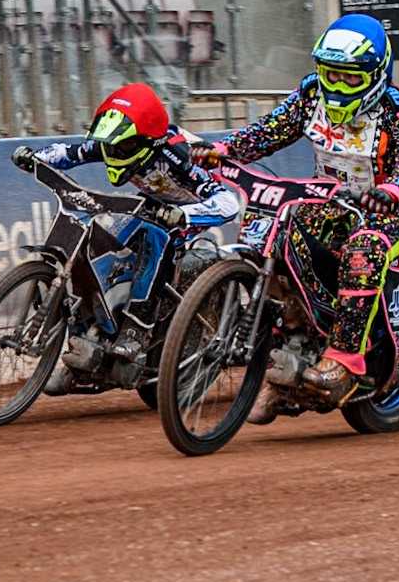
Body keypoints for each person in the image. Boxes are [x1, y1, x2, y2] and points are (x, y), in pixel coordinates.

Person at [196, 14, 399, 423]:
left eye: (350, 79)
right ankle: (284, 351)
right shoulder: (311, 95)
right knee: (273, 233)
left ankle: (346, 360)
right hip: (330, 200)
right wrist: (224, 149)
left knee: (363, 251)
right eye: (330, 74)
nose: (337, 86)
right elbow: (270, 131)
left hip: (390, 208)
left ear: (377, 75)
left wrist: (392, 190)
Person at [14, 82, 242, 393]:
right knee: (108, 246)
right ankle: (87, 346)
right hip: (151, 203)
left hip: (189, 211)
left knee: (156, 236)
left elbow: (228, 202)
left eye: (120, 148)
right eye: (109, 146)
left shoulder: (178, 156)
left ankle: (137, 331)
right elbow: (70, 153)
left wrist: (184, 216)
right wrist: (35, 158)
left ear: (145, 141)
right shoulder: (115, 143)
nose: (112, 153)